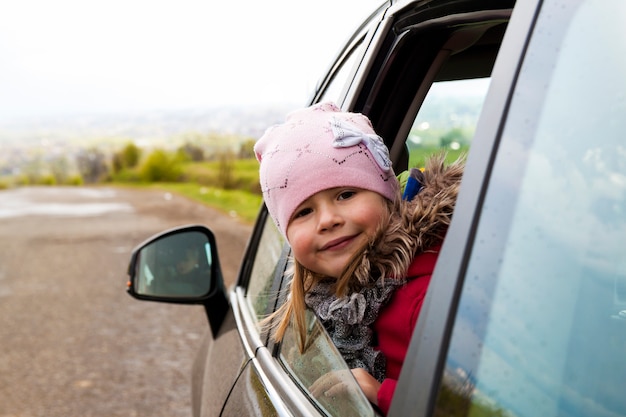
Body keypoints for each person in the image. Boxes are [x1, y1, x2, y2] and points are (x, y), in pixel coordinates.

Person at [254, 102, 463, 415]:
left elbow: (482, 403)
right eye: (304, 211)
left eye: (346, 194)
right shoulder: (331, 300)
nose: (327, 220)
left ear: (387, 194)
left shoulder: (427, 298)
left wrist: (384, 395)